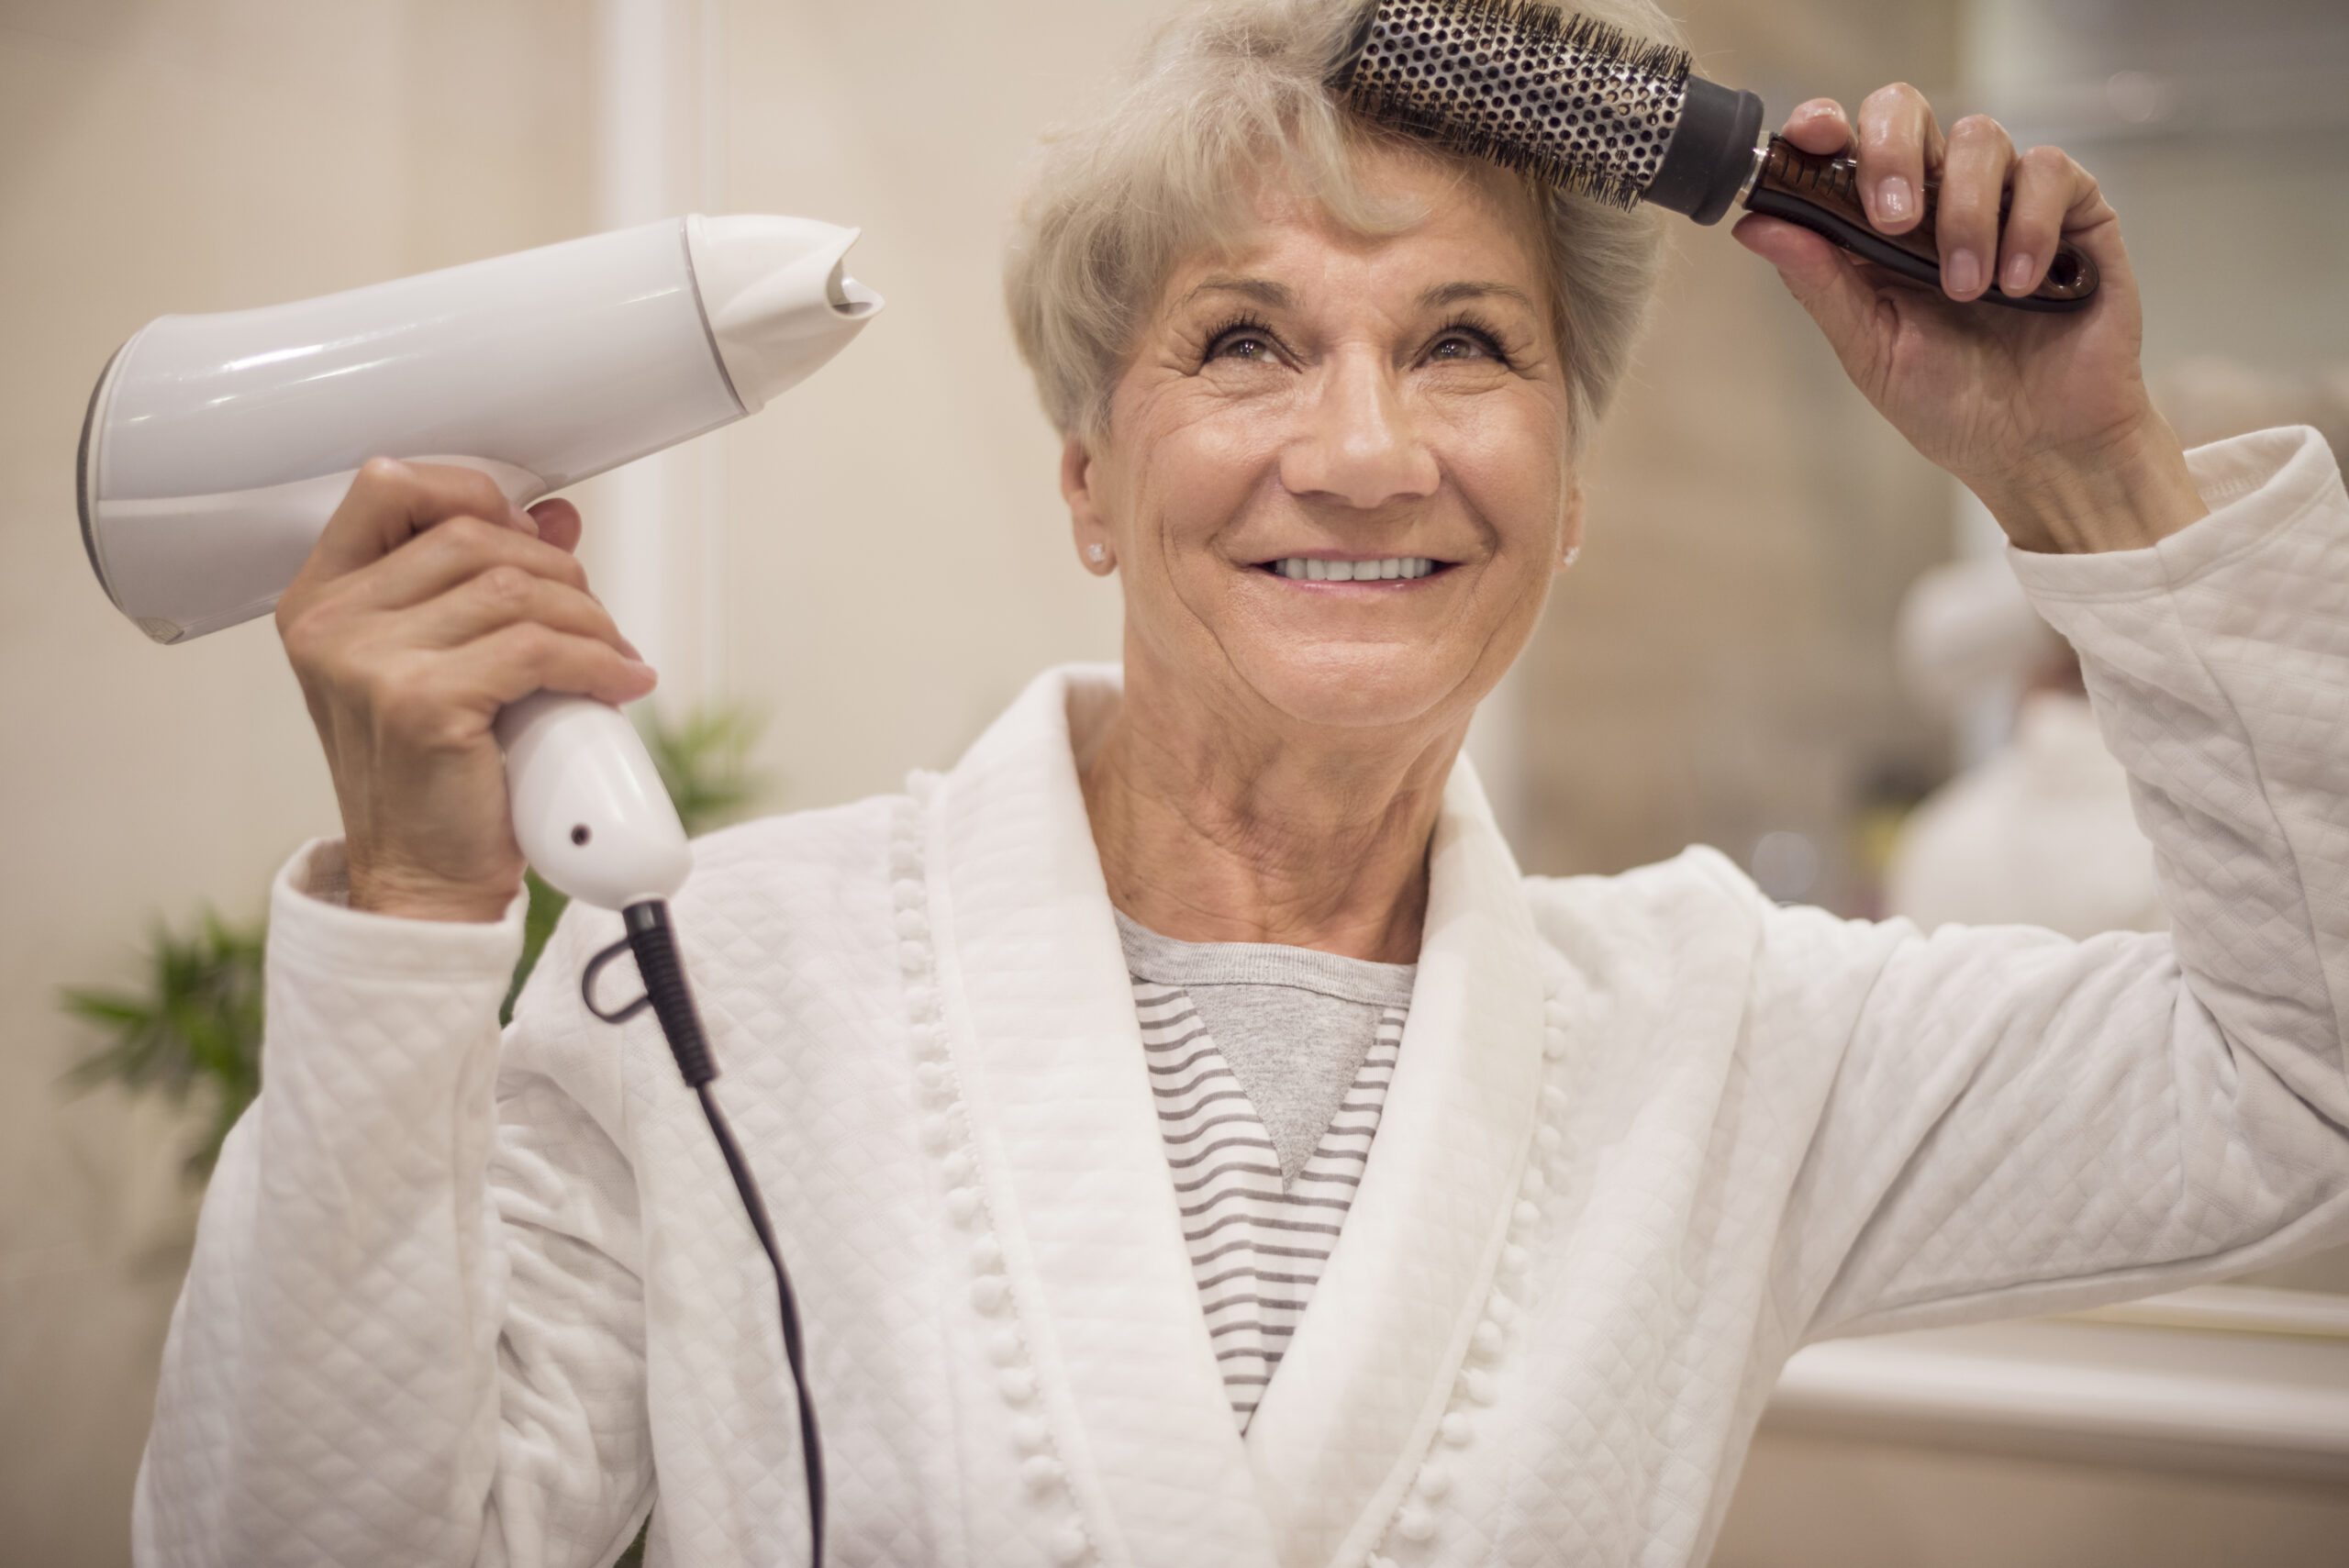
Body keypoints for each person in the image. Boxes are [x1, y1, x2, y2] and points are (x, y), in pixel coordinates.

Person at [135, 1, 2349, 1564]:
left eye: (1465, 345)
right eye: (1243, 340)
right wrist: (410, 919)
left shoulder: (1728, 1036)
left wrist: (2085, 476)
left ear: (1566, 494)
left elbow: (2300, 1078)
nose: (1365, 448)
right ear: (1092, 484)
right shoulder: (716, 982)